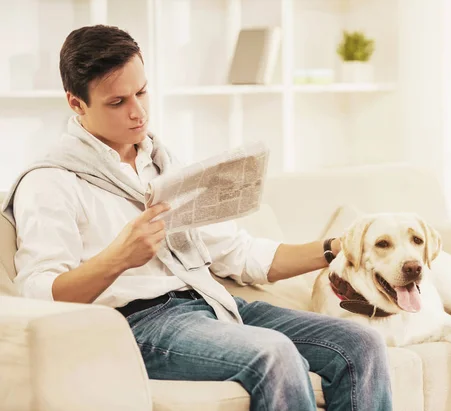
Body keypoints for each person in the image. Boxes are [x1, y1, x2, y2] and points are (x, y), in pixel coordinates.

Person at [2, 25, 393, 411]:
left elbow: (241, 254)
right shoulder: (50, 181)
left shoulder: (165, 166)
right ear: (76, 103)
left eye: (141, 92)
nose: (138, 113)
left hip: (209, 302)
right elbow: (38, 291)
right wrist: (118, 258)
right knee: (273, 353)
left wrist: (337, 248)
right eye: (117, 102)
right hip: (137, 324)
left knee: (361, 345)